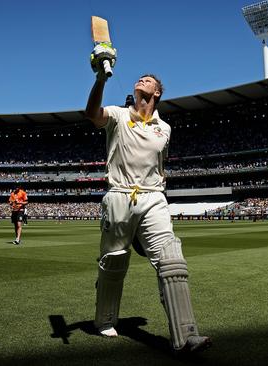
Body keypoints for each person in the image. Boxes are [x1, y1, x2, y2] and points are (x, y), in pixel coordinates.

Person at [84, 44, 211, 353]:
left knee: (172, 261)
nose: (141, 80)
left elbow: (158, 165)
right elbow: (91, 114)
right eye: (139, 79)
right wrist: (100, 78)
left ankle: (186, 335)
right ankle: (104, 320)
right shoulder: (116, 115)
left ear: (157, 93)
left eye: (148, 80)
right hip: (119, 196)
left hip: (153, 197)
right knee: (113, 263)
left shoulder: (164, 129)